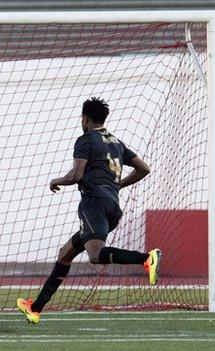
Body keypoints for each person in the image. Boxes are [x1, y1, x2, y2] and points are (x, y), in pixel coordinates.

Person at [16, 97, 161, 324]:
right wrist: (118, 185)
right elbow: (144, 168)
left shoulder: (85, 140)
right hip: (112, 207)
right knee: (65, 254)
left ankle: (146, 258)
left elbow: (77, 175)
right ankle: (35, 308)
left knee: (95, 256)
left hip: (93, 204)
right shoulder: (116, 143)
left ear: (85, 118)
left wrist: (57, 180)